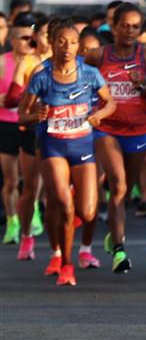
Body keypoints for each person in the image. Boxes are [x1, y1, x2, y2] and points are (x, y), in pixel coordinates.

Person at [17, 21, 116, 286]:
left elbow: (111, 103)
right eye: (61, 41)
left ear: (79, 45)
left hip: (83, 145)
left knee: (87, 210)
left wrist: (99, 115)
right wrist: (35, 115)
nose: (67, 47)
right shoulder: (42, 76)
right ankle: (65, 263)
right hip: (53, 146)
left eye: (73, 42)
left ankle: (76, 245)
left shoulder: (90, 73)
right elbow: (21, 116)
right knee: (63, 203)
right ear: (52, 41)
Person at [83, 3, 146, 273]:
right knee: (118, 184)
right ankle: (120, 250)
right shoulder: (98, 55)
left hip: (137, 130)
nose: (130, 31)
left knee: (124, 191)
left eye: (135, 26)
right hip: (106, 128)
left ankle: (114, 235)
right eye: (125, 25)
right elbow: (81, 84)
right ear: (115, 27)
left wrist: (142, 87)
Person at [6, 15, 49, 258]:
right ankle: (26, 235)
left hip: (61, 130)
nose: (49, 39)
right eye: (44, 34)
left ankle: (60, 251)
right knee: (30, 186)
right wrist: (30, 95)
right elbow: (12, 99)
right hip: (31, 128)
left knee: (59, 190)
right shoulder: (28, 62)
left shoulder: (70, 62)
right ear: (37, 37)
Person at [0, 15, 35, 244]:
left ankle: (34, 214)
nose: (28, 43)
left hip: (31, 124)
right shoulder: (3, 62)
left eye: (32, 39)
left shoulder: (38, 63)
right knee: (11, 180)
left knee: (32, 180)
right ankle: (12, 221)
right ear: (12, 39)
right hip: (6, 125)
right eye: (23, 38)